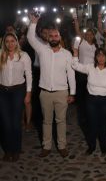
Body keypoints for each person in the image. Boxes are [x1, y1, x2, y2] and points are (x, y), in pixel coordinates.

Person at [27, 14, 76, 158]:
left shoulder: (67, 54)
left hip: (62, 92)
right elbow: (30, 38)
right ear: (48, 38)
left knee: (61, 121)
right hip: (45, 92)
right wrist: (34, 23)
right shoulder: (42, 50)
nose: (54, 38)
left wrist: (72, 93)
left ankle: (62, 146)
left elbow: (71, 75)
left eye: (56, 35)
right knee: (46, 121)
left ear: (60, 37)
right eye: (51, 36)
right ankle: (46, 146)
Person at [72, 47, 106, 155]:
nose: (101, 58)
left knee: (105, 125)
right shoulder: (90, 67)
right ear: (96, 57)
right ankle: (92, 146)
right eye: (99, 55)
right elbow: (75, 65)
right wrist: (75, 54)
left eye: (103, 55)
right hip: (91, 100)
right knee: (92, 124)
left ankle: (104, 146)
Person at [0, 33, 32, 162]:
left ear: (17, 41)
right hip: (2, 91)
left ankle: (16, 150)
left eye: (12, 41)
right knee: (5, 123)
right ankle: (8, 150)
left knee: (15, 123)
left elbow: (29, 75)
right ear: (4, 43)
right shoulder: (1, 54)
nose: (10, 44)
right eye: (7, 41)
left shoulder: (23, 56)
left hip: (18, 91)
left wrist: (28, 93)